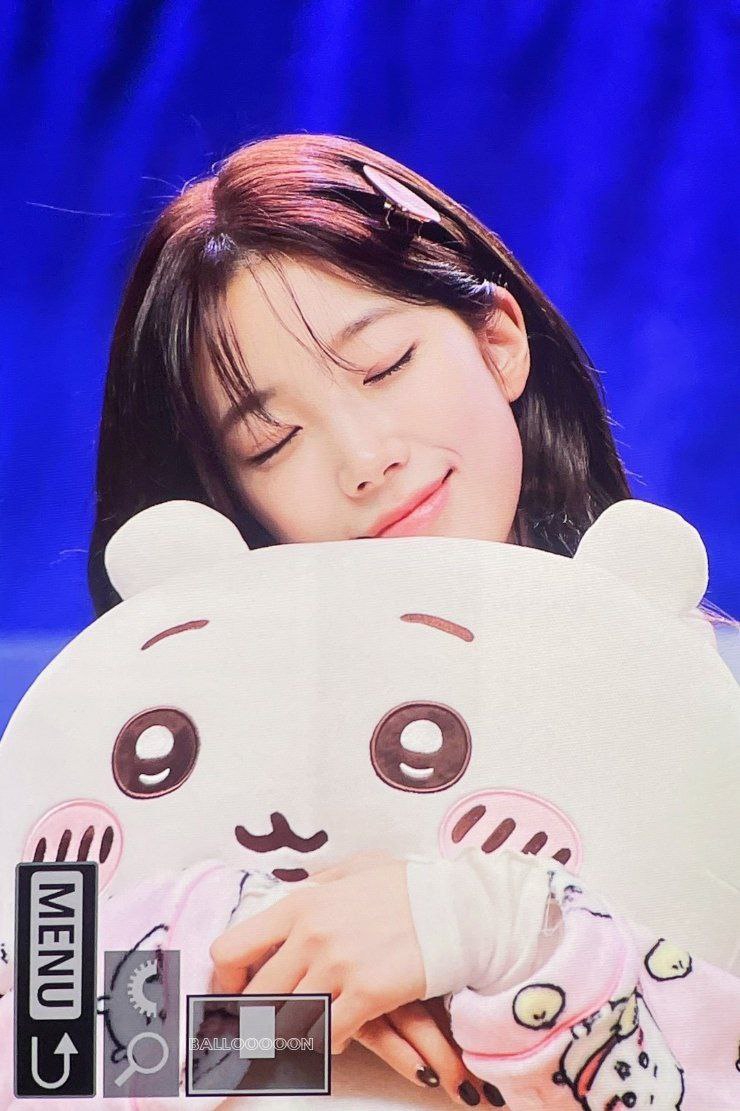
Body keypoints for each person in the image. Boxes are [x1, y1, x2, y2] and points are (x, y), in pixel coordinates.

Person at [81, 134, 738, 1108]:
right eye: (273, 439)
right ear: (222, 496)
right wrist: (280, 978)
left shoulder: (702, 695)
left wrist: (497, 931)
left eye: (383, 365)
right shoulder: (137, 737)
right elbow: (43, 1053)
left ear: (497, 341)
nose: (362, 456)